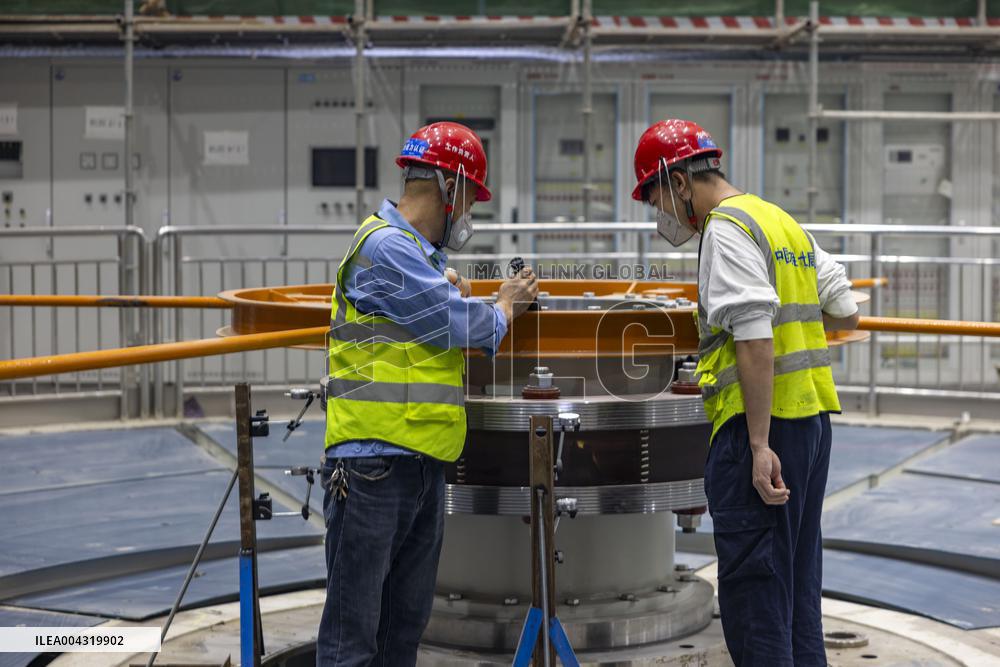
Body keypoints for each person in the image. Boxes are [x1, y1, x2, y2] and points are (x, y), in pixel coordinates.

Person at [632, 119, 859, 666]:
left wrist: (758, 446)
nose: (661, 211)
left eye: (657, 195)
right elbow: (845, 308)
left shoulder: (726, 229)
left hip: (763, 430)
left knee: (757, 594)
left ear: (680, 180)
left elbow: (754, 340)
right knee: (796, 589)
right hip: (811, 426)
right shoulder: (777, 220)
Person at [317, 121, 538, 665]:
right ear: (450, 185)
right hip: (372, 468)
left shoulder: (415, 254)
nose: (468, 213)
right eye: (470, 199)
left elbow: (429, 319)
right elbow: (463, 326)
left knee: (401, 633)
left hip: (417, 465)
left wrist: (449, 282)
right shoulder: (386, 247)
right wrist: (505, 304)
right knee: (353, 639)